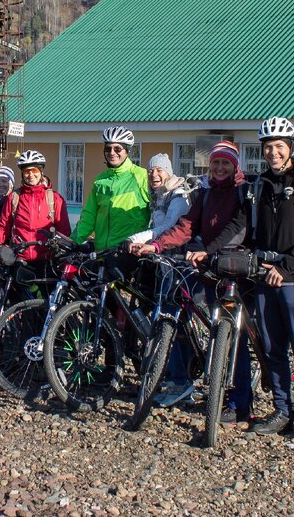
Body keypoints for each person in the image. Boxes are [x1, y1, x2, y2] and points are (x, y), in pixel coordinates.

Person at [215, 117, 294, 440]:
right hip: (264, 276)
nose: (273, 153)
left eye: (279, 147)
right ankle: (280, 410)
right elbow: (240, 227)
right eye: (268, 148)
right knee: (272, 348)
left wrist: (287, 267)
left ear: (290, 148)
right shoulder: (259, 186)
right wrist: (209, 250)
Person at [130, 141, 246, 414]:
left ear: (234, 166)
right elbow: (186, 226)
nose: (219, 167)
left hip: (233, 262)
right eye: (215, 162)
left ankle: (239, 399)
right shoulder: (204, 194)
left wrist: (208, 249)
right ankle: (184, 375)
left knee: (236, 333)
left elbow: (236, 226)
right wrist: (158, 245)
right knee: (179, 306)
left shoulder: (243, 192)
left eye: (224, 163)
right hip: (205, 261)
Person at [125, 153, 193, 407]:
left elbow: (166, 229)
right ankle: (174, 377)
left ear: (168, 172)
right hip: (162, 262)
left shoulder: (178, 197)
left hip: (175, 264)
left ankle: (180, 380)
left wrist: (137, 239)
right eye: (150, 171)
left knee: (169, 321)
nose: (154, 175)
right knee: (166, 319)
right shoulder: (160, 196)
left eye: (159, 171)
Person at [0, 150, 71, 263]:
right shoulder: (14, 198)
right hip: (20, 260)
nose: (31, 175)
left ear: (41, 172)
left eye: (34, 170)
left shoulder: (55, 199)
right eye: (26, 171)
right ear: (22, 174)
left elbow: (64, 232)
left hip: (48, 261)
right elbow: (3, 230)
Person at [72, 125, 150, 251]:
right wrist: (73, 241)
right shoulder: (100, 180)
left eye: (117, 148)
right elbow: (89, 216)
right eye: (108, 149)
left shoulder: (141, 177)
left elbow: (158, 214)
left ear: (127, 151)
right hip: (101, 252)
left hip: (129, 252)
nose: (112, 153)